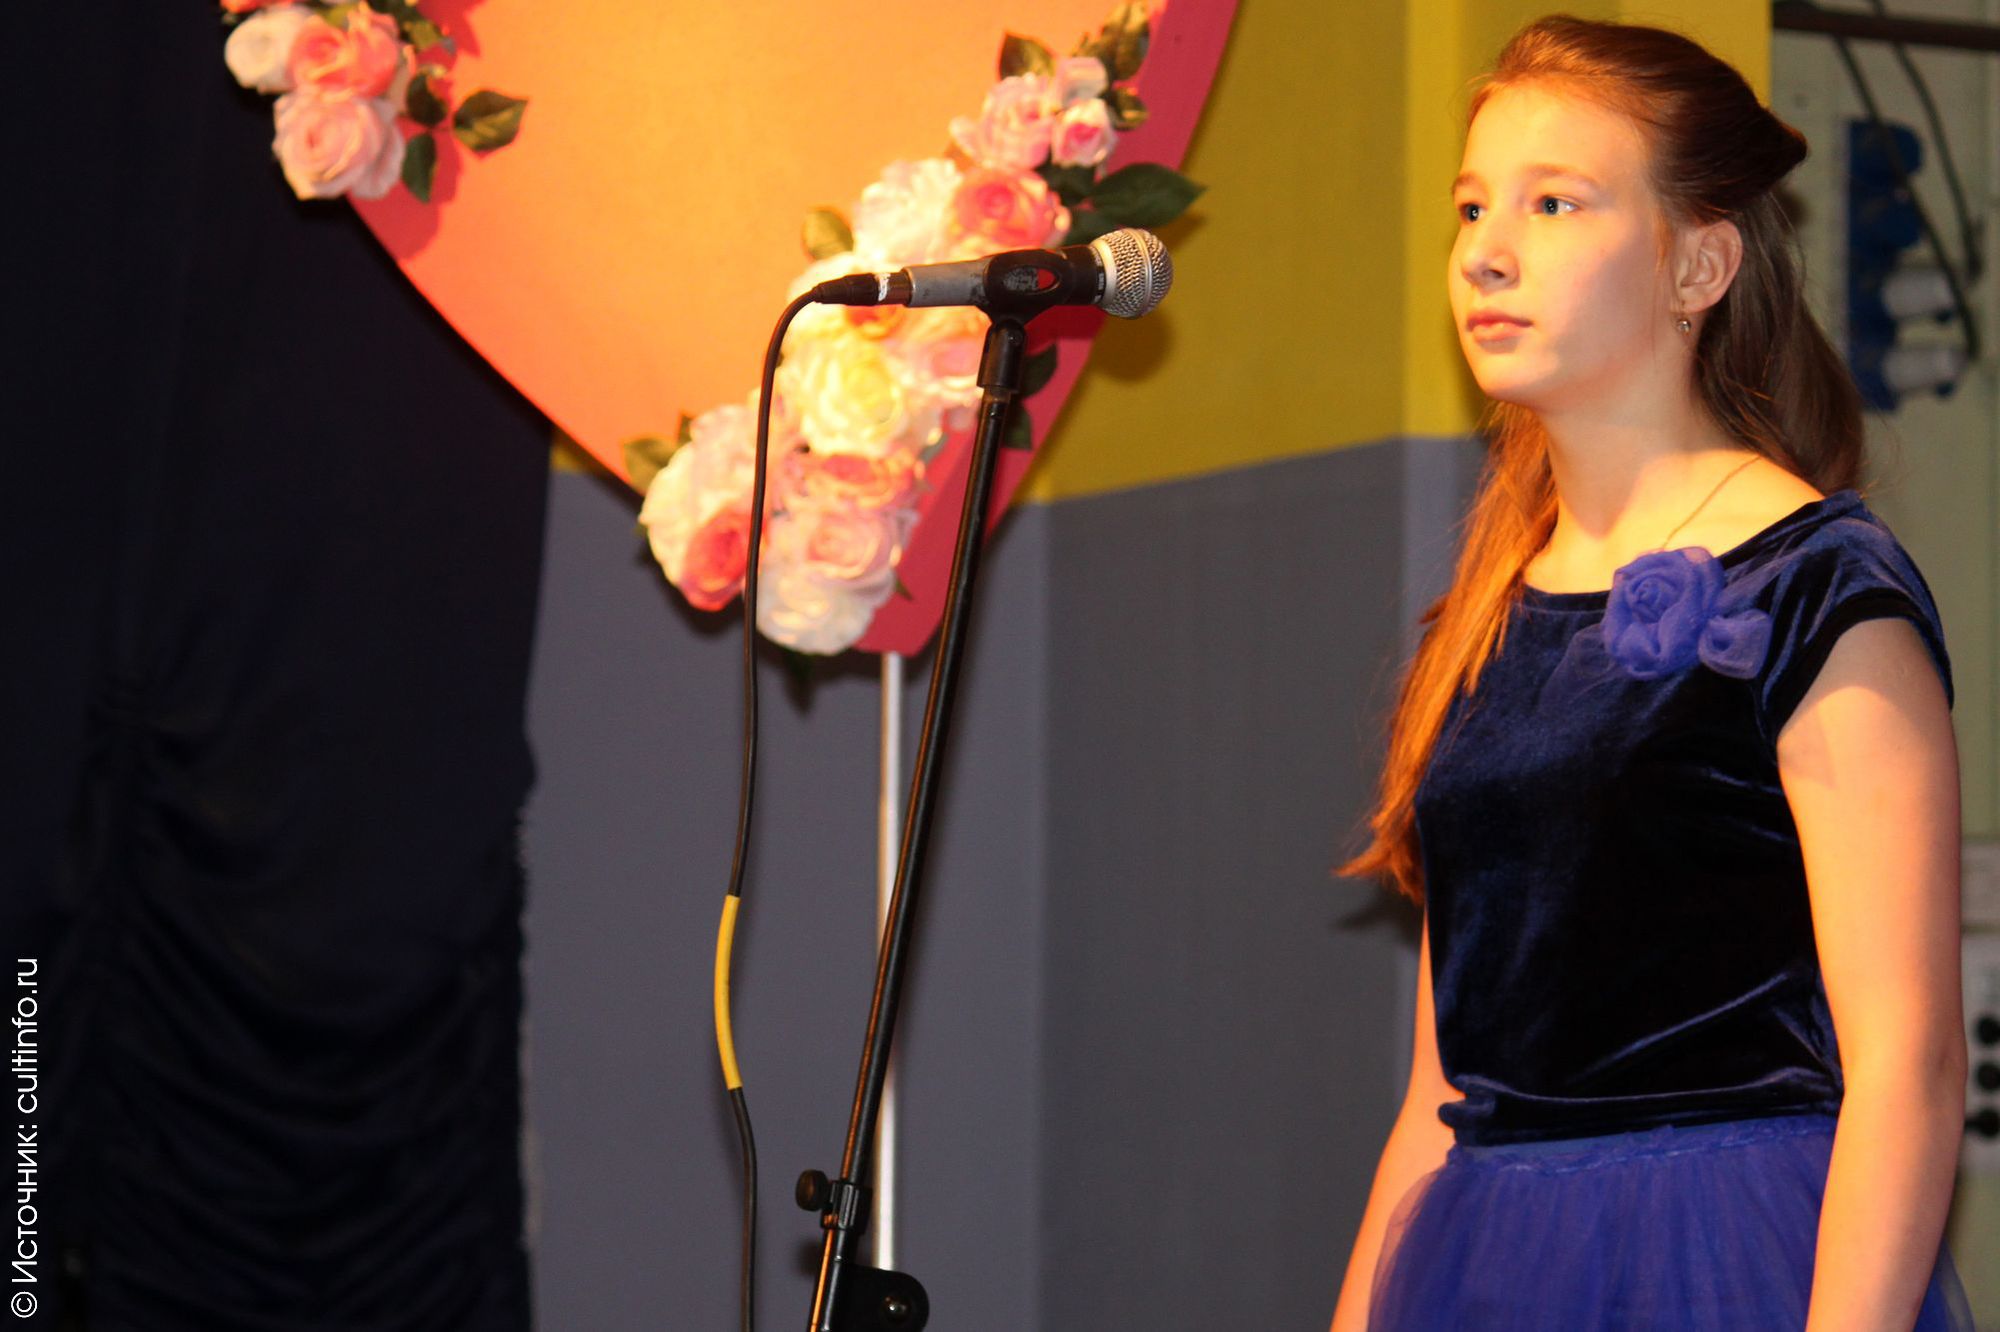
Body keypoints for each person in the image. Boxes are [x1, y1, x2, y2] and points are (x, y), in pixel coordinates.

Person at [1328, 14, 1975, 1331]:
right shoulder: (1484, 619)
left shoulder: (1812, 586)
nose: (1486, 251)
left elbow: (1907, 1063)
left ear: (1699, 263)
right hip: (1487, 1260)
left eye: (1555, 202)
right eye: (1471, 207)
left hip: (1724, 1253)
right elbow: (1441, 1090)